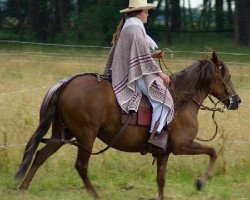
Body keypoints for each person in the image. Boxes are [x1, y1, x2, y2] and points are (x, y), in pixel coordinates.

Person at [103, 0, 174, 154]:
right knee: (163, 99)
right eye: (146, 11)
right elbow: (143, 59)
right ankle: (154, 137)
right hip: (133, 74)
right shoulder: (135, 29)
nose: (148, 14)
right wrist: (161, 74)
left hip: (131, 70)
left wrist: (153, 55)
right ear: (139, 12)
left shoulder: (128, 27)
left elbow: (137, 54)